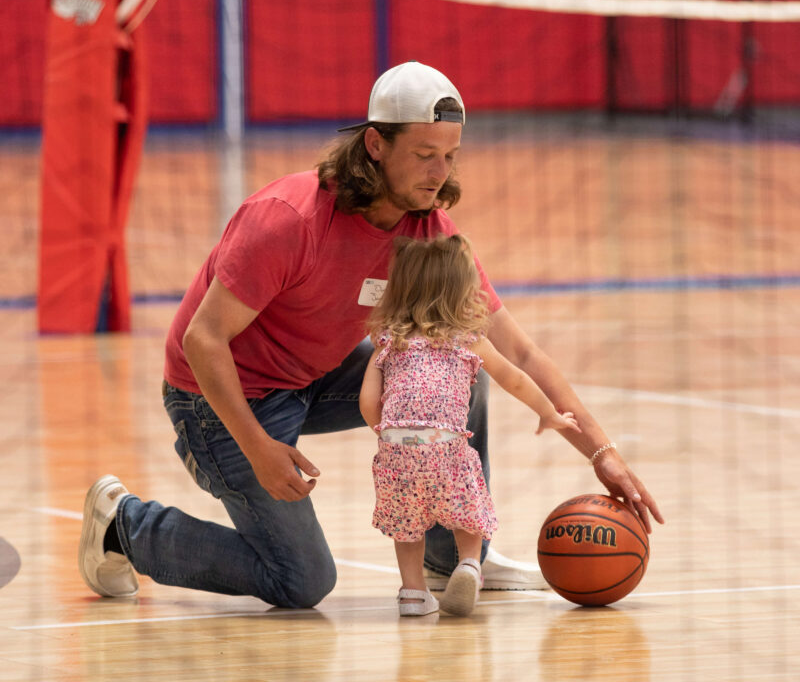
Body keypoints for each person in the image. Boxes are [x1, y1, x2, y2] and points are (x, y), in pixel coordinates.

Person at [78, 61, 664, 608]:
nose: (440, 174)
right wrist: (258, 448)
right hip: (217, 395)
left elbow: (519, 351)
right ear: (375, 145)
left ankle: (453, 559)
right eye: (425, 154)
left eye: (451, 156)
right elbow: (201, 341)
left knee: (462, 375)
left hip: (312, 374)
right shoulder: (290, 218)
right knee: (302, 581)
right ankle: (123, 524)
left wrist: (602, 453)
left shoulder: (428, 232)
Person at [359, 234, 582, 616]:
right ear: (464, 292)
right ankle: (468, 564)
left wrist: (390, 433)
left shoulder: (387, 340)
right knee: (468, 507)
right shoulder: (469, 339)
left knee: (407, 526)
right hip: (446, 445)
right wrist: (548, 413)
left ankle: (412, 594)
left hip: (396, 447)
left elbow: (366, 402)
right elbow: (515, 379)